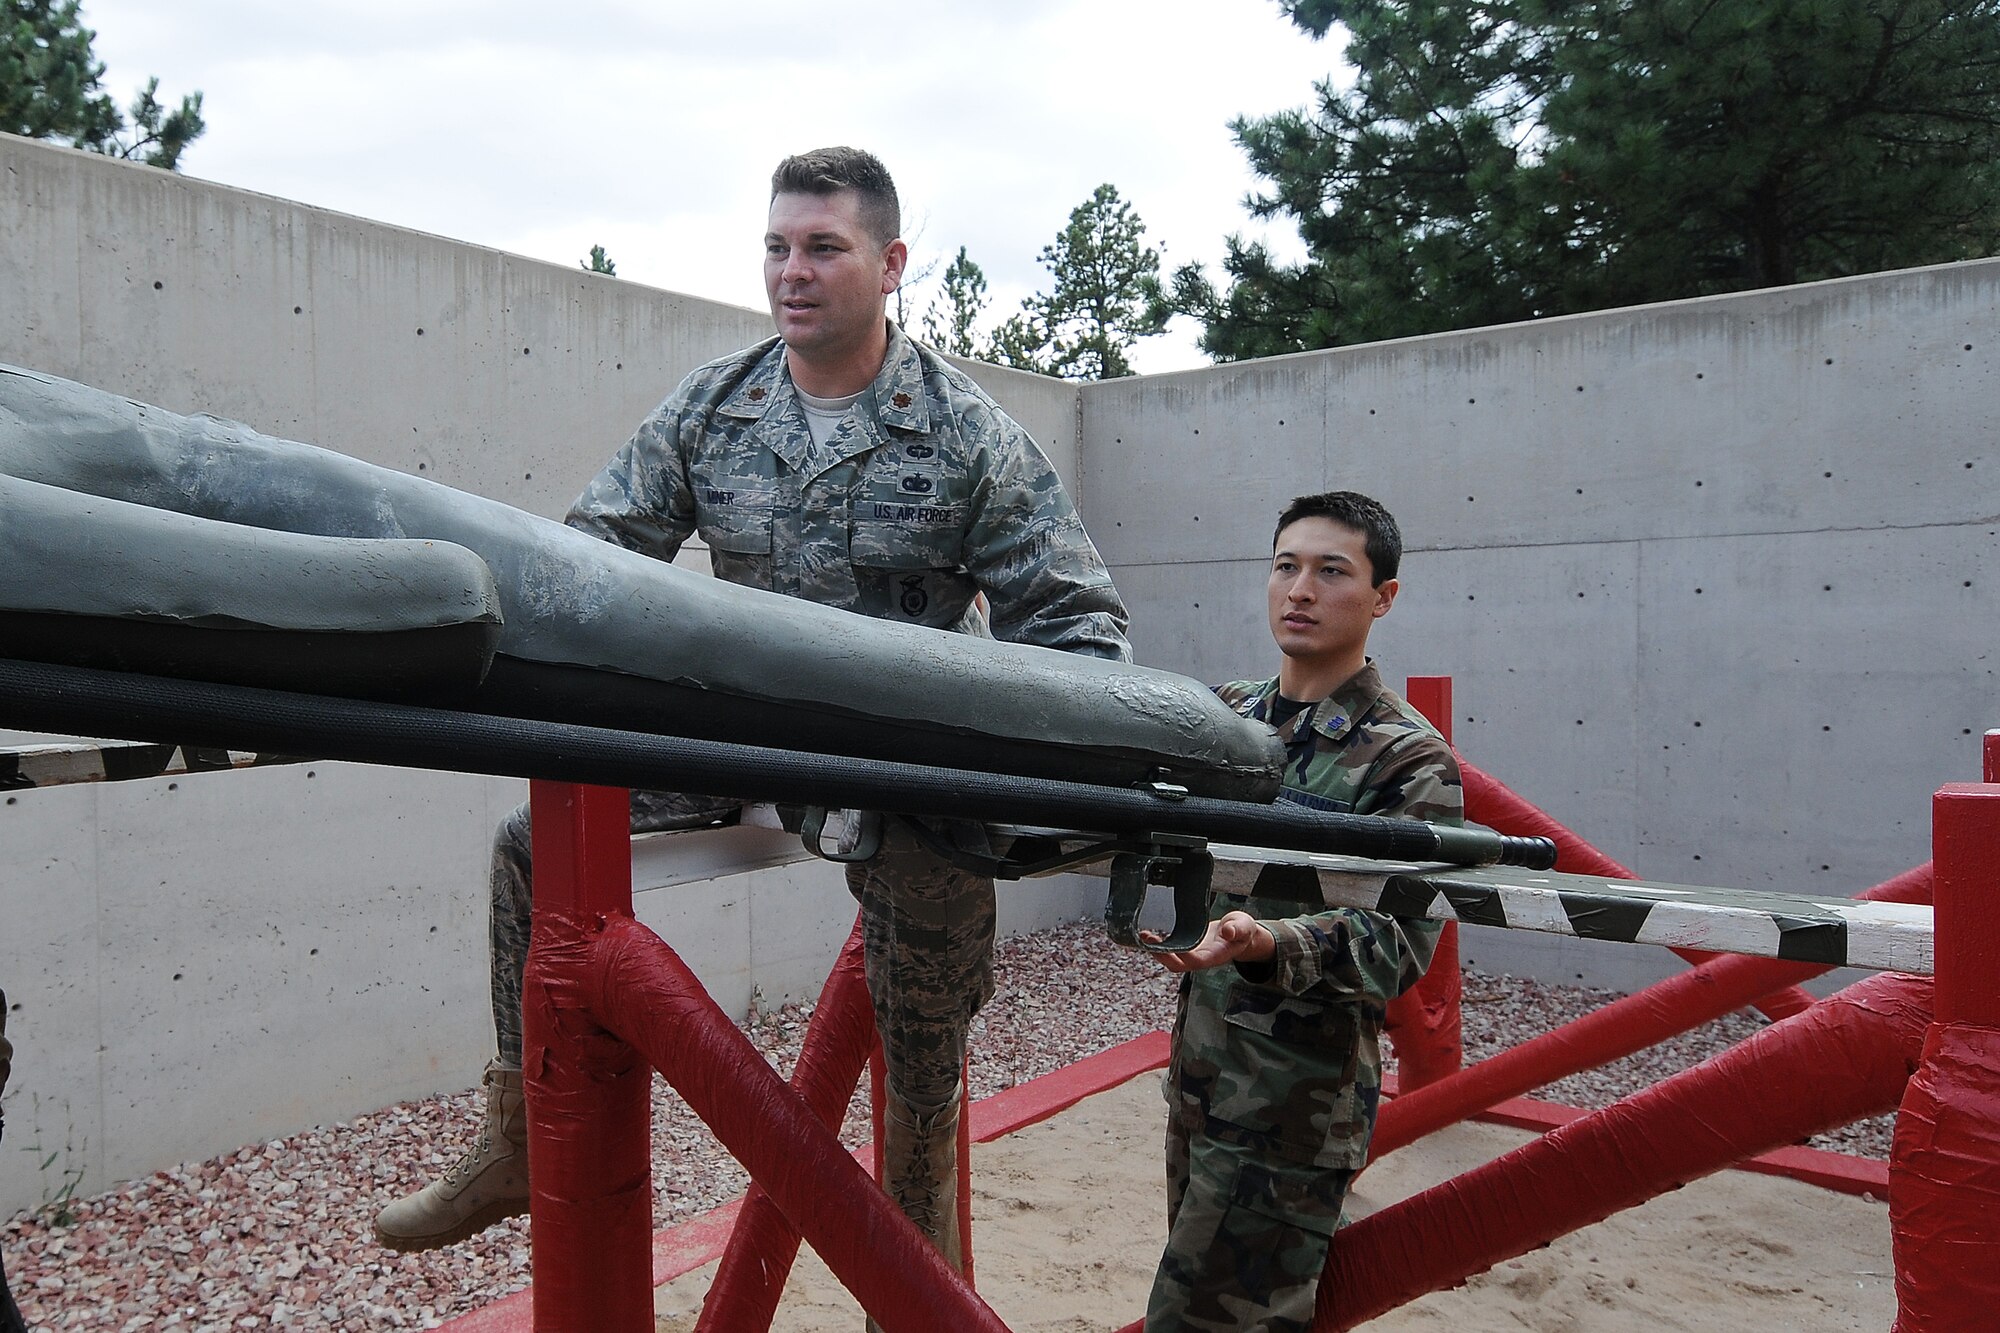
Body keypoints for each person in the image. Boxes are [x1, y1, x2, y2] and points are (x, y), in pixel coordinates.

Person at [373, 147, 1132, 1277]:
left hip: (898, 760)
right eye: (777, 247)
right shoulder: (718, 405)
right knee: (534, 844)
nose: (792, 271)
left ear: (889, 266)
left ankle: (918, 1259)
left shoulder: (965, 435)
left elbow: (1079, 629)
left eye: (823, 247)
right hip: (744, 731)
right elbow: (588, 560)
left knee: (919, 1035)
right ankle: (518, 1134)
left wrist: (999, 763)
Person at [1143, 491, 1462, 1333]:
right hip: (1202, 1081)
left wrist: (1266, 940)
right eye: (1286, 565)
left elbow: (1400, 938)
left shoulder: (1406, 756)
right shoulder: (1224, 718)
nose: (1301, 589)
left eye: (1332, 570)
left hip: (1292, 1111)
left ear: (1383, 596)